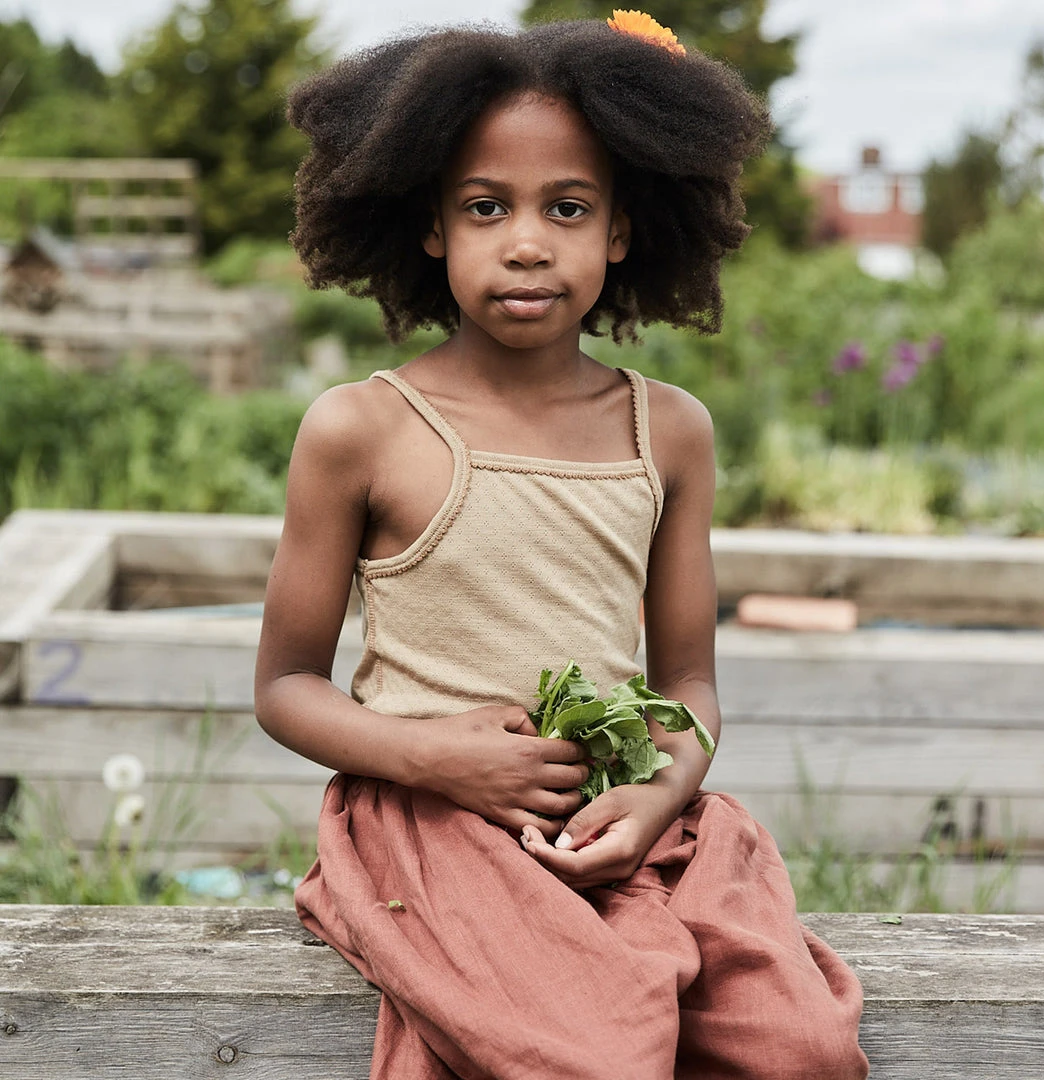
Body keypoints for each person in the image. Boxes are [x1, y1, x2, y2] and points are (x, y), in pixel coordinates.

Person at [254, 11, 870, 1079]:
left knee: (800, 1048)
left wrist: (659, 794)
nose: (528, 241)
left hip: (618, 815)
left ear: (620, 231)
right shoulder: (362, 429)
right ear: (433, 227)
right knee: (598, 1054)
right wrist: (440, 758)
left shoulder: (668, 430)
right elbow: (284, 687)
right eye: (486, 206)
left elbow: (688, 684)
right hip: (430, 820)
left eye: (568, 207)